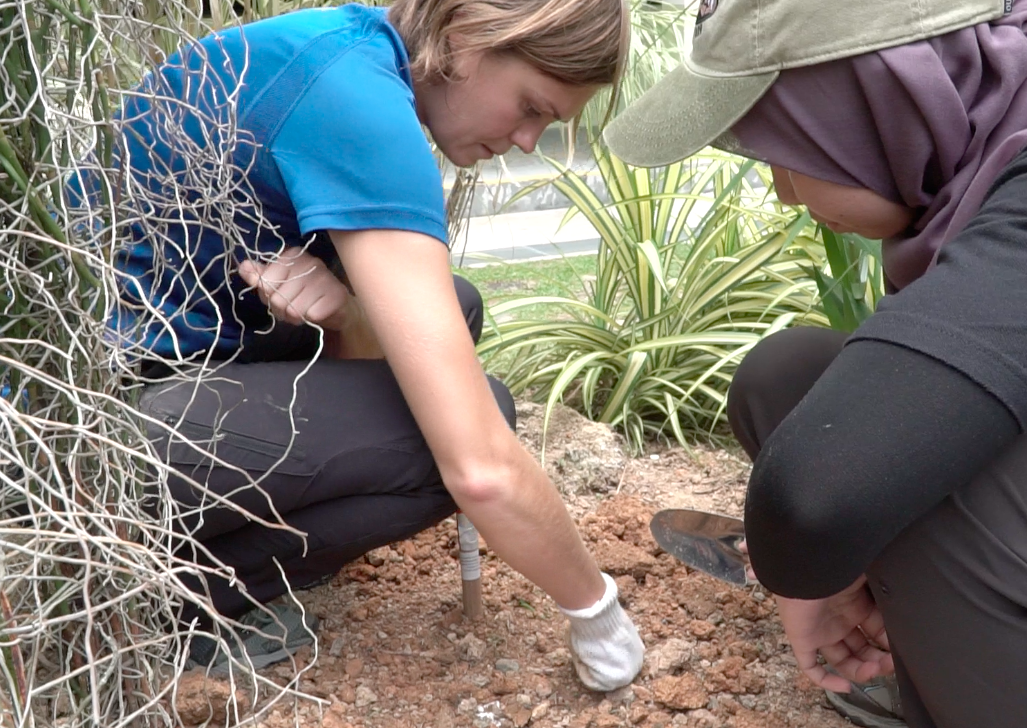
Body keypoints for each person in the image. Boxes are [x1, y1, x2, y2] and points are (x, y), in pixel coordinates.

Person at [603, 0, 1027, 725]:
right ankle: (946, 658)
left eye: (784, 147)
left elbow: (819, 496)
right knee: (796, 376)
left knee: (916, 470)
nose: (782, 191)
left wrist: (806, 579)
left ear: (876, 105)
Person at [67, 0, 645, 689]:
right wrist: (596, 611)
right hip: (84, 438)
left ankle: (193, 566)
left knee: (451, 310)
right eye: (531, 107)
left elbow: (369, 351)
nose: (527, 139)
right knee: (454, 435)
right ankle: (163, 602)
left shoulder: (341, 45)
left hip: (164, 367)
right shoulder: (356, 104)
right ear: (464, 36)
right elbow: (481, 469)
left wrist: (341, 316)